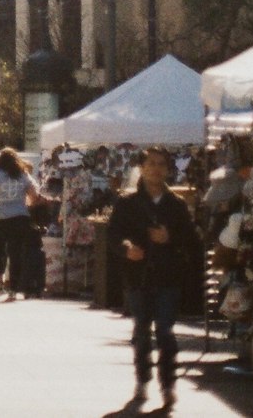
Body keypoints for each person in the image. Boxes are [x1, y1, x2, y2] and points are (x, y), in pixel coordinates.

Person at [107, 145, 199, 411]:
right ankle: (142, 381)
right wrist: (127, 249)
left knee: (166, 332)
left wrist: (170, 237)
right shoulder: (127, 204)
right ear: (142, 168)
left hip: (168, 277)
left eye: (161, 164)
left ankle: (168, 384)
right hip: (138, 277)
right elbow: (114, 235)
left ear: (167, 170)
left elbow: (193, 241)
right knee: (142, 333)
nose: (156, 168)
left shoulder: (176, 205)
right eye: (151, 163)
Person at [0, 146, 39, 299]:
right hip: (19, 218)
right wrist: (23, 205)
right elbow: (34, 196)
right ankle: (13, 289)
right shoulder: (23, 175)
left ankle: (0, 284)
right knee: (16, 253)